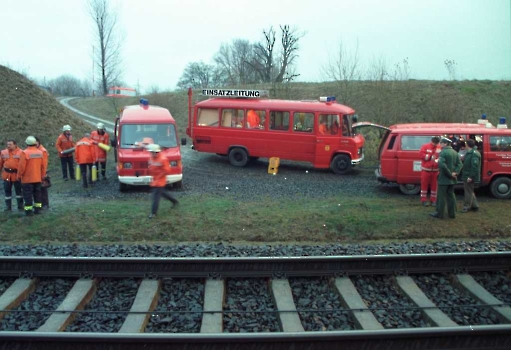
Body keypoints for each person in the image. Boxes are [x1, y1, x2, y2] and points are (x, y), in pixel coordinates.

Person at [430, 137, 462, 219]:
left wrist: (450, 174)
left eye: (441, 143)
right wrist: (455, 172)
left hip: (444, 179)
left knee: (441, 197)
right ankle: (452, 213)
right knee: (451, 196)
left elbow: (442, 166)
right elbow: (460, 164)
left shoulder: (443, 153)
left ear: (445, 144)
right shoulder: (455, 152)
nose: (440, 144)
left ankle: (439, 213)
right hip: (452, 179)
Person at [147, 144, 179, 219]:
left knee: (155, 197)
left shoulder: (163, 159)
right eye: (150, 152)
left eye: (152, 152)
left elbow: (167, 170)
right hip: (155, 180)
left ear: (156, 152)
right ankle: (174, 201)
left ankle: (153, 213)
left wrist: (159, 177)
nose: (151, 153)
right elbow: (151, 168)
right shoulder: (151, 158)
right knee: (163, 193)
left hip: (160, 181)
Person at [18, 136, 46, 216]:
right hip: (37, 178)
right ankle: (38, 210)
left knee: (27, 195)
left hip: (27, 179)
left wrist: (19, 176)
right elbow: (43, 166)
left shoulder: (24, 153)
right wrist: (42, 176)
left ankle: (28, 211)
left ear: (27, 143)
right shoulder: (40, 153)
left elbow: (21, 167)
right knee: (37, 194)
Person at [0, 139, 23, 211]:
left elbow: (23, 165)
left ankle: (20, 205)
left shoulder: (21, 152)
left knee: (18, 191)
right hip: (7, 175)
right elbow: (0, 163)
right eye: (7, 145)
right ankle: (8, 206)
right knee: (7, 191)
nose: (8, 146)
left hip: (17, 175)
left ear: (15, 145)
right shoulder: (3, 152)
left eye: (10, 144)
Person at [419, 136, 441, 206]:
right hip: (426, 170)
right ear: (431, 141)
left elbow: (439, 157)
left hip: (435, 170)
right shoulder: (425, 146)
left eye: (436, 143)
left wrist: (436, 160)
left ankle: (433, 200)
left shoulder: (439, 147)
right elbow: (421, 155)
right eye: (434, 143)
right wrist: (430, 157)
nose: (435, 144)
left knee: (434, 186)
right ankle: (423, 200)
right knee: (424, 186)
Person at [461, 139, 481, 213]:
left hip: (468, 175)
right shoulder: (471, 153)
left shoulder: (473, 154)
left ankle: (467, 206)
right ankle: (475, 205)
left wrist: (471, 176)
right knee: (470, 190)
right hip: (468, 174)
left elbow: (474, 167)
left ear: (467, 145)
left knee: (468, 191)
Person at [35, 137, 50, 210]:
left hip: (41, 172)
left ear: (38, 142)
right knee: (38, 189)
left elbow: (44, 164)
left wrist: (43, 174)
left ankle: (45, 204)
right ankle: (40, 204)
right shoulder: (36, 150)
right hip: (36, 172)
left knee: (43, 189)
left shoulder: (42, 151)